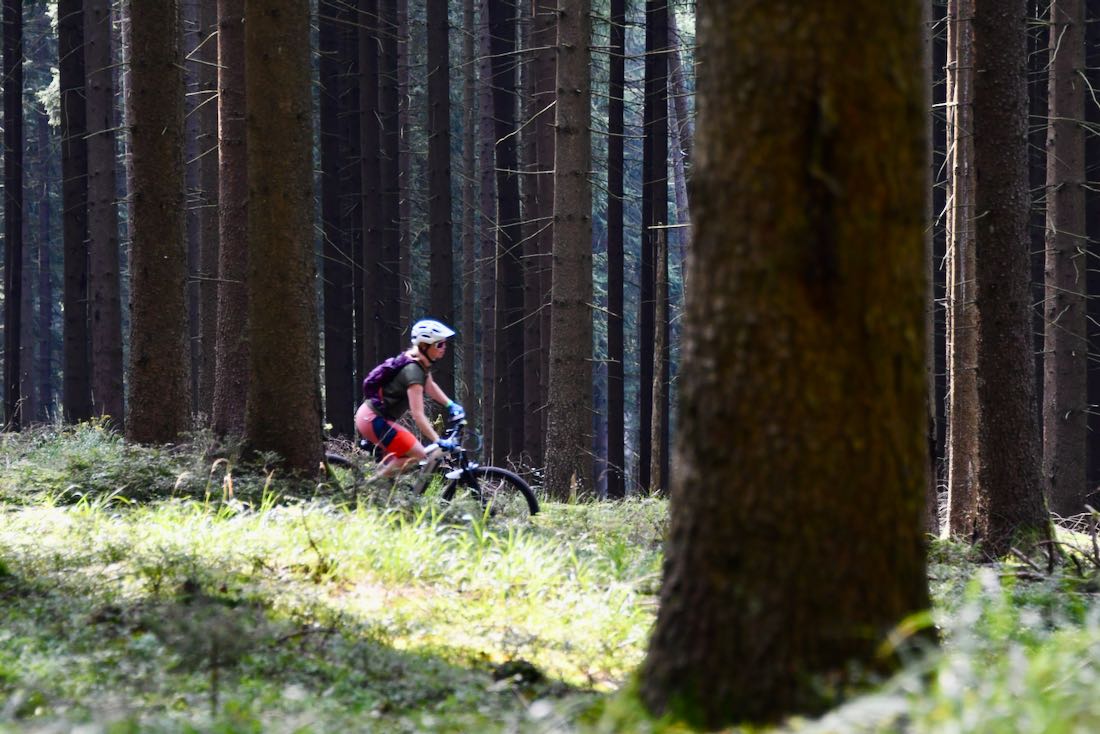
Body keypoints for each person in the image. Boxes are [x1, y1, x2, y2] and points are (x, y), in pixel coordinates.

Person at [355, 319, 465, 477]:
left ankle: (384, 492)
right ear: (424, 346)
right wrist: (437, 440)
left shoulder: (419, 363)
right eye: (439, 345)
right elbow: (418, 415)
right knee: (418, 454)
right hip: (373, 420)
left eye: (444, 344)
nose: (444, 348)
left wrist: (450, 404)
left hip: (372, 418)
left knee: (400, 459)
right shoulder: (413, 371)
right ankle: (373, 489)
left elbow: (430, 386)